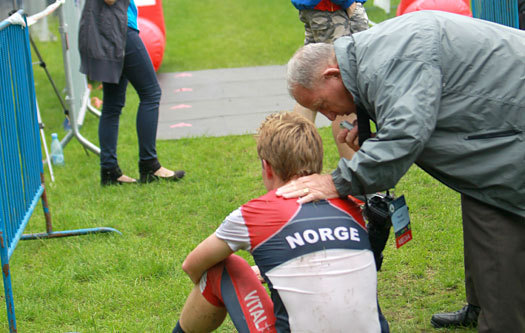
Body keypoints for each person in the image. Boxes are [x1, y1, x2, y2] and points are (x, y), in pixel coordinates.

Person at [280, 10, 525, 332]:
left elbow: (407, 133)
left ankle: (503, 323)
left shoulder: (391, 57)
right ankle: (482, 307)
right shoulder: (373, 55)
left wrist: (336, 181)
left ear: (331, 74)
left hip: (511, 124)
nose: (329, 116)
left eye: (323, 105)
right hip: (500, 121)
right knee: (481, 205)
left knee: (496, 216)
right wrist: (371, 136)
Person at [172, 112, 388, 332]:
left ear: (267, 167)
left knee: (224, 268)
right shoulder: (352, 203)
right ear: (319, 160)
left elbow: (191, 265)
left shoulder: (253, 214)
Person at [78, 0, 185, 185]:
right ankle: (150, 165)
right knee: (151, 93)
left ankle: (110, 171)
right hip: (119, 29)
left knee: (112, 104)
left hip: (111, 28)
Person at [291, 0, 369, 160]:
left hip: (319, 10)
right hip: (333, 9)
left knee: (311, 82)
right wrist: (349, 4)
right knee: (343, 89)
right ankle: (354, 172)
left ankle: (294, 162)